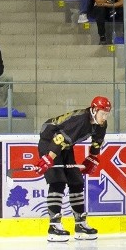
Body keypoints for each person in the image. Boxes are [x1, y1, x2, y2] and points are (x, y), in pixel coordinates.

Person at [33, 97, 110, 242]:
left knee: (76, 182)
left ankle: (80, 224)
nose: (105, 117)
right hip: (50, 140)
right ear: (94, 110)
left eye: (107, 114)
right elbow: (59, 139)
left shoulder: (101, 124)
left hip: (66, 146)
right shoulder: (81, 120)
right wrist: (49, 157)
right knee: (58, 181)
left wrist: (92, 158)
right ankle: (54, 225)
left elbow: (97, 143)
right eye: (103, 113)